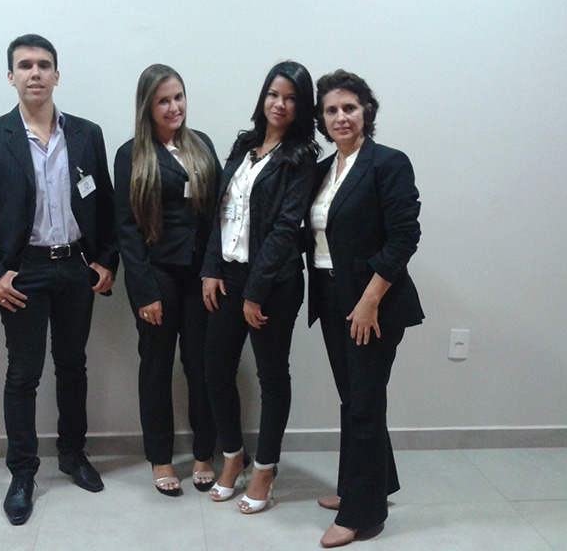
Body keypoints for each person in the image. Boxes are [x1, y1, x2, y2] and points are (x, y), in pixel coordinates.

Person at [0, 34, 118, 526]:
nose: (35, 73)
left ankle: (72, 454)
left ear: (56, 75)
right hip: (21, 272)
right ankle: (22, 473)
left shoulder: (86, 134)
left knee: (73, 366)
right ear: (11, 76)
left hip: (75, 267)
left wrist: (106, 260)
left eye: (44, 65)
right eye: (25, 65)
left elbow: (105, 206)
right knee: (23, 374)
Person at [306, 70, 423, 547]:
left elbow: (404, 236)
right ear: (322, 118)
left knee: (364, 404)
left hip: (372, 302)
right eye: (332, 110)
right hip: (331, 297)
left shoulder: (387, 163)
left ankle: (361, 513)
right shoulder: (323, 170)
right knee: (355, 400)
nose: (341, 117)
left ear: (366, 112)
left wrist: (370, 301)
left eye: (349, 108)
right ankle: (370, 484)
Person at [201, 61, 319, 513]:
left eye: (290, 98)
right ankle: (234, 456)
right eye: (273, 94)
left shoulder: (302, 156)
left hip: (272, 284)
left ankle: (266, 468)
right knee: (215, 369)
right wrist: (211, 268)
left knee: (272, 376)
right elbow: (221, 211)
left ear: (301, 106)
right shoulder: (244, 144)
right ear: (263, 96)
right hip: (227, 277)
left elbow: (287, 228)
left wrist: (254, 292)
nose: (279, 104)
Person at [114, 64, 221, 496]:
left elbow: (217, 216)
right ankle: (160, 457)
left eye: (178, 97)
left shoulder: (202, 145)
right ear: (147, 106)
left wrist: (213, 271)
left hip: (201, 278)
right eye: (163, 100)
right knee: (156, 367)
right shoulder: (131, 154)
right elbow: (126, 228)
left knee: (202, 365)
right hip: (156, 277)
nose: (174, 107)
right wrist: (144, 291)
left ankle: (204, 452)